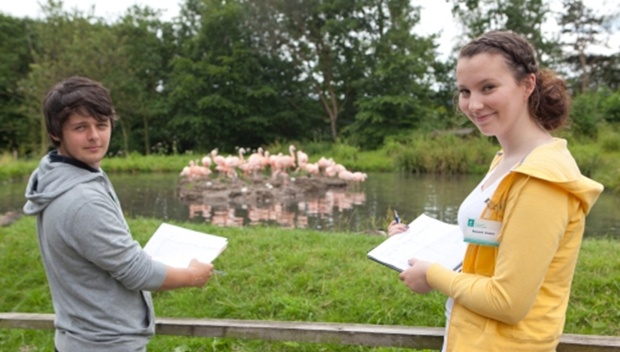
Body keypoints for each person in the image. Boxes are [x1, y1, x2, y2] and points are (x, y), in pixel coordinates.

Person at [388, 31, 603, 351]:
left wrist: (432, 274)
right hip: (469, 335)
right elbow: (489, 245)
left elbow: (508, 302)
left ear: (527, 85)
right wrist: (412, 242)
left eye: (488, 87)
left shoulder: (542, 181)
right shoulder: (505, 161)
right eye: (464, 91)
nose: (473, 104)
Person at [23, 76, 215, 352]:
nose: (94, 136)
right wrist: (192, 276)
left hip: (81, 338)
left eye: (101, 125)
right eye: (80, 127)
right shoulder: (82, 199)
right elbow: (136, 272)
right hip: (104, 344)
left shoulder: (60, 175)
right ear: (56, 132)